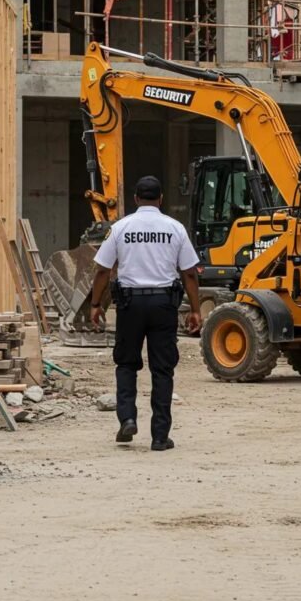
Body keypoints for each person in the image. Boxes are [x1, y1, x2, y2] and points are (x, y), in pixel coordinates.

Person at [90, 176, 202, 451]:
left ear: (136, 199)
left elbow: (104, 269)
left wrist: (96, 305)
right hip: (164, 304)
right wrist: (196, 309)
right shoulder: (175, 228)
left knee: (126, 364)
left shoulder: (120, 228)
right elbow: (189, 272)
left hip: (130, 305)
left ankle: (127, 418)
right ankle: (160, 436)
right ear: (161, 199)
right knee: (162, 370)